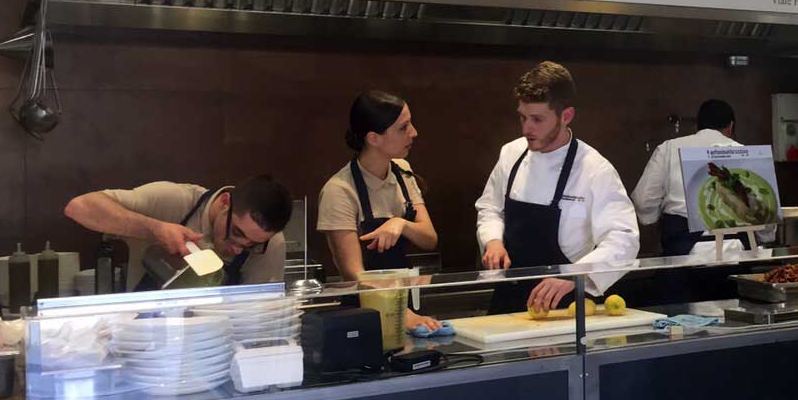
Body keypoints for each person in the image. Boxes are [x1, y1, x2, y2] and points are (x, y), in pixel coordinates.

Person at [476, 61, 639, 314]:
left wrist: (575, 275)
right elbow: (490, 208)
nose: (526, 128)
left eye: (537, 119)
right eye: (522, 117)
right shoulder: (511, 154)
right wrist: (493, 240)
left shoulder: (595, 169)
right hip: (507, 297)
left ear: (566, 116)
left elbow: (623, 239)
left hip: (564, 305)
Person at [317, 91, 441, 332]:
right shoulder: (339, 191)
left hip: (404, 305)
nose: (414, 132)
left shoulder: (403, 171)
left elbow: (429, 238)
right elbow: (354, 274)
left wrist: (401, 224)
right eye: (403, 127)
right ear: (374, 138)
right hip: (364, 315)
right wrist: (400, 313)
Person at [65, 175, 293, 291]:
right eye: (236, 232)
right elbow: (79, 207)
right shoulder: (175, 201)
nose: (237, 248)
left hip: (213, 354)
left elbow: (256, 314)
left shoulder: (271, 245)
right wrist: (154, 228)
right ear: (225, 202)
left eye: (251, 245)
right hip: (144, 343)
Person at [631, 99, 741, 256]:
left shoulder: (669, 148)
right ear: (730, 127)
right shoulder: (745, 152)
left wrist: (651, 217)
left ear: (697, 126)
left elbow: (643, 201)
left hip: (682, 250)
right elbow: (766, 213)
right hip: (736, 252)